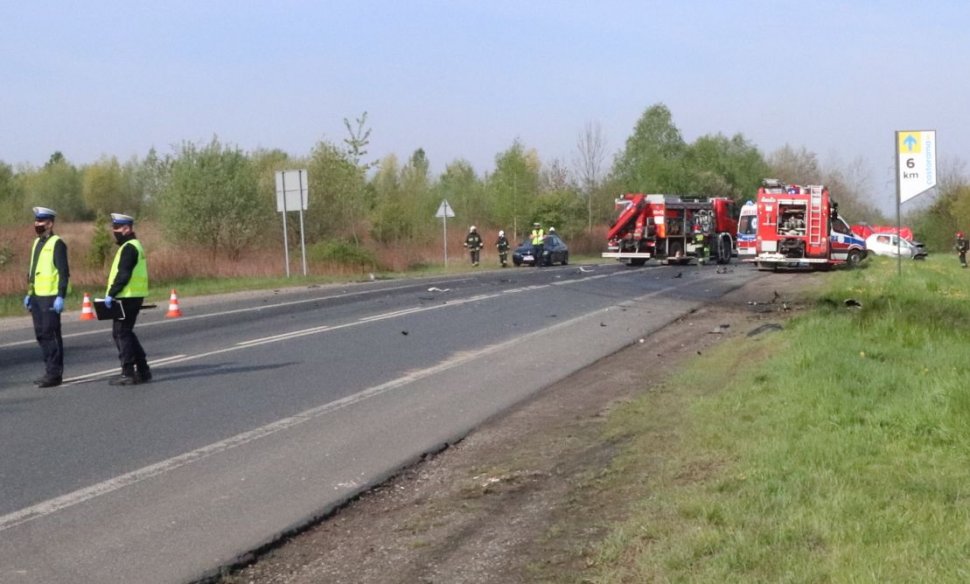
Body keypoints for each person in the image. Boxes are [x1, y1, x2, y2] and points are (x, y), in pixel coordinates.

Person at [104, 213, 151, 385]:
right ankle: (144, 370)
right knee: (126, 332)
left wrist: (111, 294)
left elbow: (124, 274)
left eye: (117, 228)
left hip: (127, 296)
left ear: (127, 228)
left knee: (121, 333)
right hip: (132, 296)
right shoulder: (133, 245)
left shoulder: (129, 247)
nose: (114, 231)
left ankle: (128, 372)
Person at [25, 207, 69, 388]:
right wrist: (29, 293)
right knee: (41, 334)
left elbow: (63, 273)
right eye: (36, 221)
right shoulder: (37, 243)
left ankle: (55, 374)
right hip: (36, 297)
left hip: (51, 297)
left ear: (50, 224)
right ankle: (48, 370)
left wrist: (61, 296)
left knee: (51, 334)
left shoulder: (57, 243)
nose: (37, 224)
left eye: (41, 221)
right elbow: (33, 271)